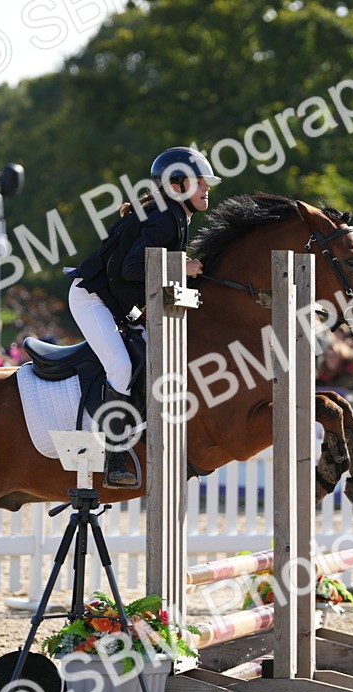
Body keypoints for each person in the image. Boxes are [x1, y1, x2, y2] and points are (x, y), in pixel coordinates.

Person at [68, 146, 219, 487]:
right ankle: (114, 457)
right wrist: (183, 266)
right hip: (92, 299)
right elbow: (133, 268)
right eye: (199, 182)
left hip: (117, 301)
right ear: (177, 186)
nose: (207, 187)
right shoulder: (166, 216)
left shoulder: (174, 214)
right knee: (121, 367)